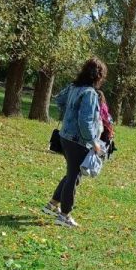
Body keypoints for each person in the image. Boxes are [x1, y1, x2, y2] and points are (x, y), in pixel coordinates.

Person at [43, 57, 107, 228]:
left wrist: (67, 114)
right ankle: (64, 215)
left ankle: (52, 205)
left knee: (72, 172)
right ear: (99, 76)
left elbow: (59, 99)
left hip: (65, 136)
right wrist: (94, 143)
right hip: (78, 141)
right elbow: (85, 122)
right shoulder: (90, 93)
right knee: (74, 176)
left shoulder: (73, 87)